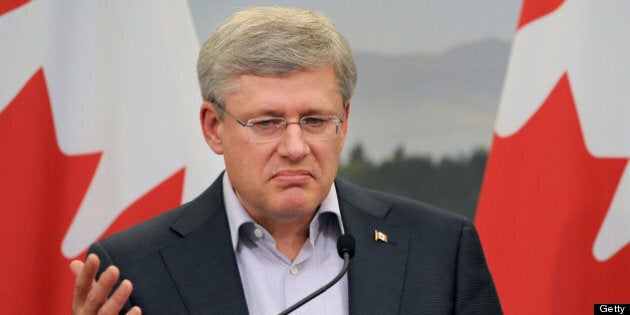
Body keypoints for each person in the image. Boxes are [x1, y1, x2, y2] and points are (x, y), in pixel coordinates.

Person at [70, 6, 501, 315]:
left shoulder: (440, 251)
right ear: (213, 127)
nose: (295, 147)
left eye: (314, 120)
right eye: (267, 123)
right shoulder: (131, 270)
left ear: (344, 120)